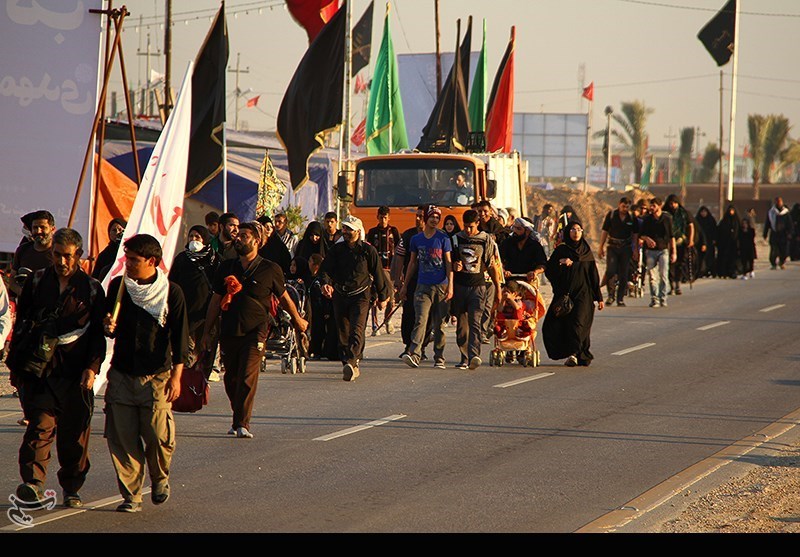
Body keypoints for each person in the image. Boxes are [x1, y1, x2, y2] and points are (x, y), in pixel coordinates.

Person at [8, 228, 106, 508]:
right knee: (39, 427)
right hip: (41, 371)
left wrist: (92, 368)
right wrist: (17, 366)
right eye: (57, 255)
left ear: (80, 256)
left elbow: (98, 334)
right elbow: (23, 323)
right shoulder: (38, 282)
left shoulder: (92, 289)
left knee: (73, 437)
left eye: (68, 256)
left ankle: (72, 486)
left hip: (76, 373)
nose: (62, 261)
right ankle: (33, 483)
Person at [102, 234, 189, 513]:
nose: (127, 264)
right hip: (122, 374)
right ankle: (132, 496)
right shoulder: (118, 288)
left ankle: (160, 477)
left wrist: (177, 377)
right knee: (122, 438)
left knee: (157, 435)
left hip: (157, 376)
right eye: (126, 258)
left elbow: (180, 337)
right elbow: (108, 328)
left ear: (151, 261)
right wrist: (108, 325)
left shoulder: (170, 292)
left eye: (134, 259)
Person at [200, 222, 307, 436]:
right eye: (237, 235)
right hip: (229, 329)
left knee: (248, 376)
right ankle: (238, 415)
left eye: (244, 236)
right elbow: (215, 301)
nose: (238, 238)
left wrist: (297, 320)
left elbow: (284, 298)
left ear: (257, 241)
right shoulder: (227, 267)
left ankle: (242, 424)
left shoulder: (270, 268)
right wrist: (206, 333)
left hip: (256, 331)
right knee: (231, 379)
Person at [319, 215, 391, 381]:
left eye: (349, 229)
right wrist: (325, 283)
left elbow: (378, 274)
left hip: (361, 295)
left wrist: (383, 296)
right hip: (340, 294)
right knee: (342, 331)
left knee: (357, 330)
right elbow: (325, 270)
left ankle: (353, 361)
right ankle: (348, 363)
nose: (346, 232)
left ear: (358, 231)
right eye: (344, 228)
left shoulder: (368, 251)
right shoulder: (336, 250)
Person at [542, 220, 604, 367]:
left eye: (578, 229)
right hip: (564, 294)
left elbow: (593, 274)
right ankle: (572, 352)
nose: (576, 232)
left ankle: (574, 354)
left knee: (578, 324)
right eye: (572, 230)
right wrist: (561, 264)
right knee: (552, 325)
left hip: (584, 294)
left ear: (582, 232)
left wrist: (599, 297)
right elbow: (549, 270)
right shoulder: (561, 250)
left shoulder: (586, 251)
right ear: (567, 232)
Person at [399, 205, 454, 369]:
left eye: (437, 218)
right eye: (432, 217)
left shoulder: (443, 239)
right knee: (420, 320)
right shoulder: (416, 240)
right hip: (422, 286)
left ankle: (439, 356)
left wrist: (450, 286)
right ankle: (414, 353)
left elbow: (449, 263)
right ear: (426, 218)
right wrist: (405, 285)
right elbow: (412, 263)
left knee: (439, 325)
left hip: (441, 287)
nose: (435, 220)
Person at [450, 209, 501, 370]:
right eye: (465, 226)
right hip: (459, 286)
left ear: (477, 224)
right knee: (462, 327)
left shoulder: (485, 240)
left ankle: (474, 355)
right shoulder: (456, 239)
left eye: (471, 226)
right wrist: (454, 266)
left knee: (475, 322)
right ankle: (464, 357)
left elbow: (491, 265)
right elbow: (448, 263)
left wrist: (498, 287)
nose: (468, 230)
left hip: (478, 287)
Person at [168, 224, 221, 380]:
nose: (193, 240)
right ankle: (185, 381)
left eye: (197, 237)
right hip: (185, 312)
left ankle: (202, 380)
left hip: (206, 312)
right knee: (187, 348)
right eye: (191, 237)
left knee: (205, 348)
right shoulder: (181, 259)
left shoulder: (214, 259)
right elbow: (172, 282)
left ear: (205, 239)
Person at [393, 205, 431, 360]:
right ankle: (408, 345)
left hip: (430, 282)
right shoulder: (408, 236)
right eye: (417, 216)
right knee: (409, 313)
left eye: (421, 216)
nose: (418, 219)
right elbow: (400, 257)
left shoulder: (437, 236)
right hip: (411, 282)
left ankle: (421, 347)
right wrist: (398, 281)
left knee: (425, 316)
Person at [597, 197, 639, 307]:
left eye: (627, 207)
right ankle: (611, 296)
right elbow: (604, 231)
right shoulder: (611, 215)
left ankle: (620, 298)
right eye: (623, 206)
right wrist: (601, 247)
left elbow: (635, 235)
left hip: (626, 248)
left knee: (623, 273)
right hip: (612, 247)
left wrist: (635, 250)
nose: (625, 209)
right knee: (611, 271)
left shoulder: (632, 217)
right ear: (619, 204)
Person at [365, 206, 400, 336]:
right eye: (381, 217)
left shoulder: (394, 231)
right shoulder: (372, 232)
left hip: (390, 269)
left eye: (385, 217)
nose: (383, 220)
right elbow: (367, 251)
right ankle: (375, 325)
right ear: (377, 217)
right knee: (374, 297)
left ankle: (388, 320)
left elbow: (399, 250)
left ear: (389, 218)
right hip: (375, 269)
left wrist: (399, 271)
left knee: (390, 297)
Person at [639, 197, 676, 307]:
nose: (651, 208)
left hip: (663, 250)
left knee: (663, 275)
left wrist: (674, 252)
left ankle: (663, 297)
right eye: (651, 205)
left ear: (659, 206)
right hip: (650, 252)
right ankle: (654, 298)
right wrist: (647, 239)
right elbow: (642, 235)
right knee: (652, 276)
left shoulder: (667, 218)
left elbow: (671, 237)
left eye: (654, 205)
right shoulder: (647, 219)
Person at [10, 210, 56, 298]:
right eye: (35, 227)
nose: (38, 231)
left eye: (43, 227)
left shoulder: (59, 252)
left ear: (52, 229)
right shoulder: (23, 250)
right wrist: (24, 293)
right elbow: (12, 280)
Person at [307, 253, 338, 361]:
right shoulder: (310, 278)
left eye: (310, 262)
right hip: (314, 311)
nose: (308, 264)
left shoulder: (321, 280)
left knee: (322, 331)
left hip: (322, 310)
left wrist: (326, 311)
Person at [664, 194, 695, 295]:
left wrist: (690, 240)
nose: (673, 205)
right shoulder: (665, 213)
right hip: (667, 242)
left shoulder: (684, 213)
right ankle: (671, 286)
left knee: (680, 265)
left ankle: (677, 285)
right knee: (669, 265)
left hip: (681, 242)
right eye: (671, 203)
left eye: (674, 203)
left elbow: (691, 226)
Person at [763, 196, 794, 270]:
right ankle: (773, 264)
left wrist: (790, 233)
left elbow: (790, 224)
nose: (779, 203)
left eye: (780, 201)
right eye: (777, 201)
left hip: (783, 235)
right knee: (774, 250)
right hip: (774, 234)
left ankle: (782, 262)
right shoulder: (771, 212)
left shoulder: (786, 212)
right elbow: (767, 224)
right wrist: (765, 234)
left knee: (784, 251)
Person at [716, 204, 741, 279]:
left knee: (733, 258)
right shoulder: (724, 221)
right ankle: (723, 272)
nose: (731, 212)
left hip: (734, 244)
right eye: (730, 210)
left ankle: (733, 272)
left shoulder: (737, 221)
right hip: (724, 244)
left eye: (732, 210)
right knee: (724, 258)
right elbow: (719, 232)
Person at [694, 206, 718, 278]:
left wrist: (714, 239)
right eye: (702, 212)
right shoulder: (697, 220)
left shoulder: (711, 220)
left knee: (710, 257)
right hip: (700, 242)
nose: (703, 213)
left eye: (705, 212)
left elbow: (715, 230)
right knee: (701, 257)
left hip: (710, 241)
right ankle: (701, 272)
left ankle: (710, 271)